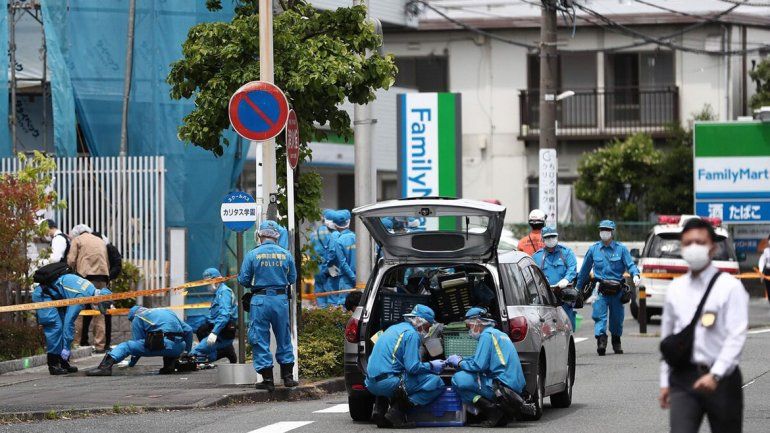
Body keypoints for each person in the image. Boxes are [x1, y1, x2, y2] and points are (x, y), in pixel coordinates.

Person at [659, 218, 749, 433]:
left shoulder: (730, 287)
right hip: (683, 379)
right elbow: (667, 340)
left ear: (713, 248)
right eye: (688, 243)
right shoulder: (675, 289)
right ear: (682, 248)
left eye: (700, 242)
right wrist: (665, 381)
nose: (694, 248)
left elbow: (736, 335)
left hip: (722, 379)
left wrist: (716, 374)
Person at [238, 221, 298, 391]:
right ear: (276, 236)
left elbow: (243, 280)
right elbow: (292, 279)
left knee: (260, 338)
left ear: (260, 235)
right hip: (280, 301)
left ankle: (268, 380)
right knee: (284, 337)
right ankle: (287, 377)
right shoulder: (285, 254)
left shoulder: (252, 254)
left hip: (260, 300)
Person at [364, 304, 445, 428]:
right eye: (428, 326)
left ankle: (379, 411)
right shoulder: (411, 334)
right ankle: (396, 413)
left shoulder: (393, 329)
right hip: (388, 383)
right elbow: (413, 368)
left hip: (370, 383)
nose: (428, 331)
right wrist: (432, 366)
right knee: (436, 382)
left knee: (395, 371)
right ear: (420, 323)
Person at [447, 307, 530, 427]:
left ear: (477, 323)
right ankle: (499, 413)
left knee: (458, 379)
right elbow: (481, 359)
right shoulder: (499, 334)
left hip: (502, 388)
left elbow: (478, 365)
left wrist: (459, 363)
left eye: (469, 326)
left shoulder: (486, 335)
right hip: (513, 387)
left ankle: (494, 412)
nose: (469, 330)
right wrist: (462, 359)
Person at [577, 220, 641, 356]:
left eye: (607, 230)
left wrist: (635, 275)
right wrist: (578, 288)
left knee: (617, 319)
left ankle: (616, 340)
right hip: (600, 289)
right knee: (599, 316)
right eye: (602, 229)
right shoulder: (593, 249)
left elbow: (630, 265)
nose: (604, 232)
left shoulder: (621, 249)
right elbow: (584, 271)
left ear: (612, 232)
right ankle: (601, 340)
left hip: (617, 290)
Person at [32, 273, 111, 375]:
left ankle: (63, 362)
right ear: (98, 299)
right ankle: (53, 363)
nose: (97, 307)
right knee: (55, 327)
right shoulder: (81, 296)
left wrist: (66, 348)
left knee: (61, 325)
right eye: (100, 305)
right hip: (44, 296)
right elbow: (68, 324)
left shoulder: (90, 288)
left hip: (55, 296)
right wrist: (66, 348)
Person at [86, 306, 194, 376]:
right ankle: (169, 366)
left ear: (133, 316)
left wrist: (131, 363)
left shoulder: (138, 317)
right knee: (164, 338)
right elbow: (188, 330)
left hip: (162, 345)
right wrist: (186, 353)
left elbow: (137, 343)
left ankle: (105, 367)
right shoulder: (167, 311)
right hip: (179, 347)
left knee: (126, 346)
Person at [67, 224, 110, 353]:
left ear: (76, 233)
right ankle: (100, 345)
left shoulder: (77, 240)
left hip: (84, 277)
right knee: (100, 312)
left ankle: (75, 343)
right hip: (102, 277)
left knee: (78, 311)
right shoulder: (100, 240)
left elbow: (71, 260)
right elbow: (106, 261)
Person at [532, 226, 578, 330]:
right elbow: (533, 274)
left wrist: (566, 279)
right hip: (547, 295)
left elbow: (572, 267)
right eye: (548, 237)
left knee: (567, 325)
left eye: (553, 237)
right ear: (543, 239)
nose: (551, 239)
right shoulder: (537, 256)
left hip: (564, 294)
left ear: (557, 237)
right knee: (548, 327)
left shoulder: (566, 252)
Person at [190, 268, 238, 363]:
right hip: (218, 327)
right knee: (200, 329)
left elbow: (224, 315)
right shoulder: (218, 293)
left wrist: (214, 333)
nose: (207, 286)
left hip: (223, 331)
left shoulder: (224, 292)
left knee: (195, 352)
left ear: (215, 280)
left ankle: (225, 350)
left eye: (208, 282)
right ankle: (223, 351)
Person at [309, 210, 335, 308]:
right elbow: (333, 252)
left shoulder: (313, 234)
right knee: (332, 292)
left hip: (317, 268)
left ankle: (322, 312)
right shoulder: (329, 232)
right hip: (329, 267)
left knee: (320, 293)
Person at [332, 210, 356, 307]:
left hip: (346, 281)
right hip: (362, 279)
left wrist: (353, 278)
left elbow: (343, 263)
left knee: (345, 307)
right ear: (349, 221)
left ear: (336, 225)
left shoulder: (338, 241)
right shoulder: (358, 237)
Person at [758, 234, 770, 304]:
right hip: (768, 271)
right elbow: (762, 261)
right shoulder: (766, 251)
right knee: (768, 288)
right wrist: (761, 271)